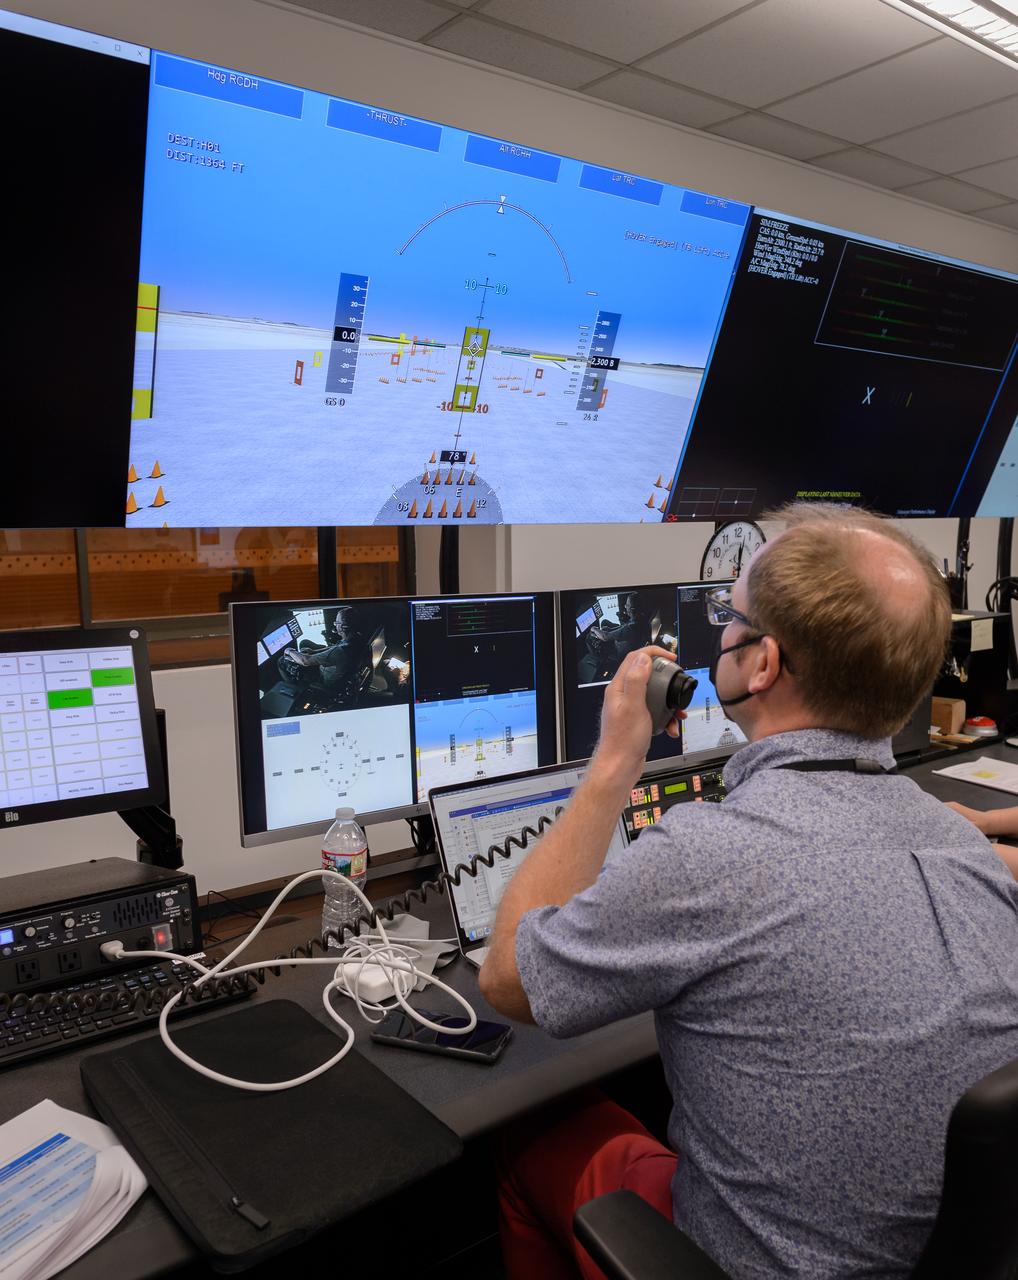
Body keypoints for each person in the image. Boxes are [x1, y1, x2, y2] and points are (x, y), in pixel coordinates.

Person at [480, 504, 1018, 1280]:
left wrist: (612, 763)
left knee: (535, 1131)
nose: (720, 635)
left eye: (730, 618)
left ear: (761, 665)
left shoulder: (710, 852)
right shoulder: (961, 841)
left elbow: (509, 980)